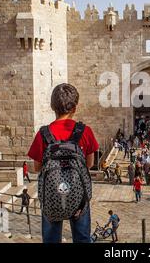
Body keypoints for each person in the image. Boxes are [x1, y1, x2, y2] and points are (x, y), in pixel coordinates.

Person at [27, 83, 99, 243]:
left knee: (51, 239)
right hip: (79, 197)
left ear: (53, 107)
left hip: (52, 196)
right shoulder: (85, 132)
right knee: (82, 239)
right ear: (75, 108)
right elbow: (90, 163)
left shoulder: (43, 134)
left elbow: (37, 167)